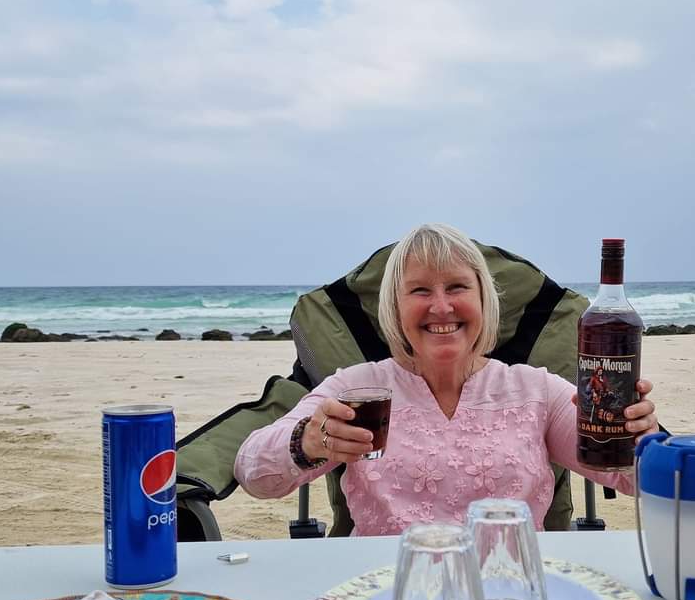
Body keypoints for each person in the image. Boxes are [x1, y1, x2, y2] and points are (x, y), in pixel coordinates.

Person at [234, 224, 658, 535]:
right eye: (419, 291)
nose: (441, 307)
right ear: (394, 308)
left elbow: (638, 480)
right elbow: (254, 473)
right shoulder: (355, 389)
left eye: (457, 287)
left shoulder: (537, 392)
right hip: (388, 592)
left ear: (484, 300)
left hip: (510, 591)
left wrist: (638, 440)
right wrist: (308, 442)